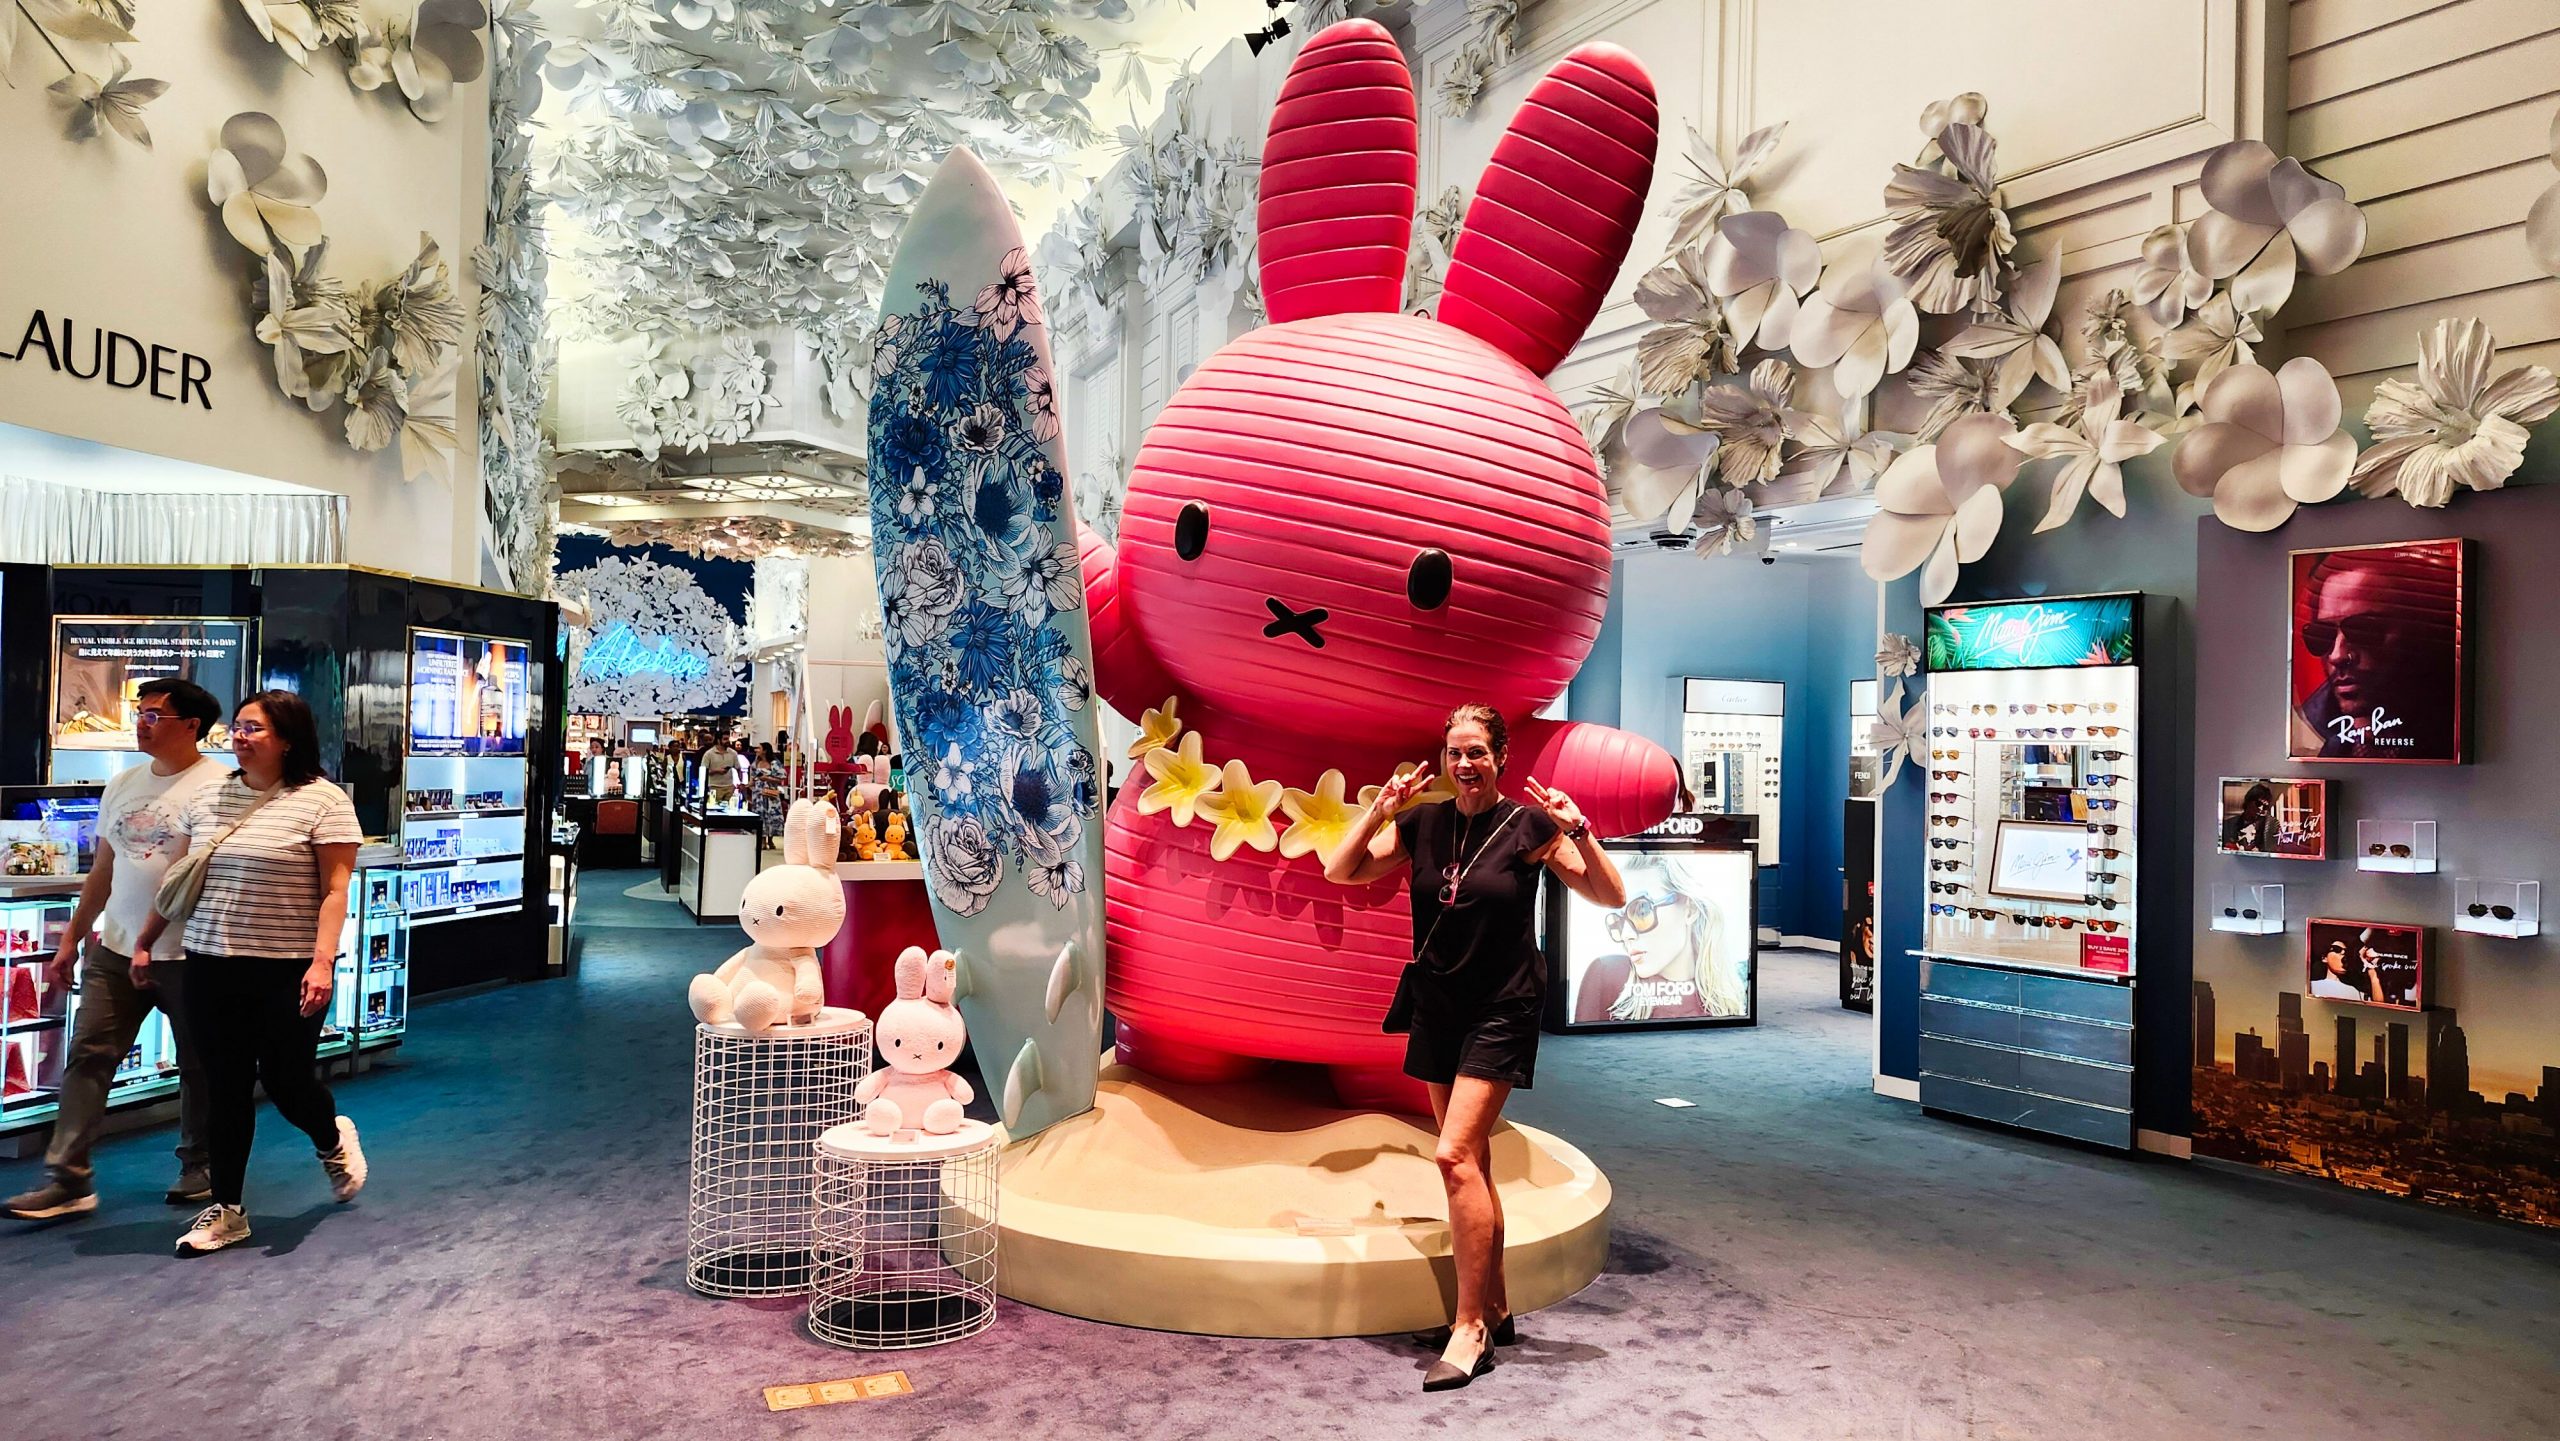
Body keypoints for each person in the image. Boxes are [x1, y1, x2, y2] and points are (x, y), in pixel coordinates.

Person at [1324, 703, 1626, 1392]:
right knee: (1475, 1160)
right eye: (1455, 752)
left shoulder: (1530, 826)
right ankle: (1495, 1304)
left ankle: (1470, 1329)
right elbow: (1342, 871)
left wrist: (1579, 829)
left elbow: (1609, 895)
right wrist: (1378, 810)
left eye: (1477, 752)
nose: (1465, 764)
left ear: (1500, 758)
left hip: (1502, 1007)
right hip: (1438, 1006)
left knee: (1453, 1154)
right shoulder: (1423, 824)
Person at [130, 690, 369, 1256]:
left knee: (288, 1083)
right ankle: (228, 1209)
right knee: (225, 1087)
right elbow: (180, 879)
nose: (240, 736)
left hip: (286, 967)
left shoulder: (323, 801)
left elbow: (335, 891)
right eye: (237, 726)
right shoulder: (209, 797)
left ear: (287, 738)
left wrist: (322, 961)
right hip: (210, 962)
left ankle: (331, 1137)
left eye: (254, 728)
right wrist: (145, 941)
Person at [5, 679, 228, 1221]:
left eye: (154, 715)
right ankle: (68, 1177)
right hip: (116, 949)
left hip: (192, 952)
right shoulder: (124, 783)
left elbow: (194, 877)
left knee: (201, 1064)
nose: (141, 724)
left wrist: (151, 940)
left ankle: (201, 1164)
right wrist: (73, 938)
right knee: (89, 1055)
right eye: (140, 713)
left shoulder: (220, 788)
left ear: (191, 726)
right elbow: (103, 871)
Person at [2292, 546, 2460, 759]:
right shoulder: (2313, 743)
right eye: (2322, 634)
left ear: (2419, 630)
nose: (2337, 656)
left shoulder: (2450, 733)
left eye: (2364, 630)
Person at [1570, 855, 1739, 1023]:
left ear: (1690, 910)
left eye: (1642, 911)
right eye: (1618, 922)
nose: (1625, 935)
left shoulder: (1728, 1001)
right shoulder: (1607, 974)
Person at [2308, 936, 2382, 1004]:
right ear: (2324, 958)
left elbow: (2378, 1008)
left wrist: (2373, 974)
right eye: (2337, 949)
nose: (2343, 953)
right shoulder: (2312, 986)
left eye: (2346, 952)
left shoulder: (2355, 992)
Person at [2220, 782, 2276, 854]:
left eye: (2265, 806)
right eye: (2258, 803)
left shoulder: (2267, 828)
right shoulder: (2228, 825)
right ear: (2249, 801)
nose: (2261, 808)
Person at [701, 732, 743, 808]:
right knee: (714, 810)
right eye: (725, 739)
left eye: (728, 739)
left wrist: (740, 783)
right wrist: (716, 771)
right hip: (714, 787)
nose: (727, 741)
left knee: (729, 811)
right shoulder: (709, 754)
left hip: (729, 788)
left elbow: (738, 768)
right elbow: (703, 772)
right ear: (718, 740)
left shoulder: (733, 753)